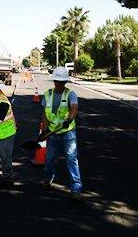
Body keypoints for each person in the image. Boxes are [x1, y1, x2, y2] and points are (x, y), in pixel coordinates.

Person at [41, 66, 82, 201]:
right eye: (57, 82)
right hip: (53, 133)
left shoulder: (71, 94)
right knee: (49, 159)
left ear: (65, 82)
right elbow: (45, 114)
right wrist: (45, 130)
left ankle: (76, 189)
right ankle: (48, 179)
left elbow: (74, 109)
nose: (59, 84)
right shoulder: (47, 94)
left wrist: (69, 119)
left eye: (61, 82)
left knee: (71, 159)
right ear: (54, 81)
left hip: (68, 133)